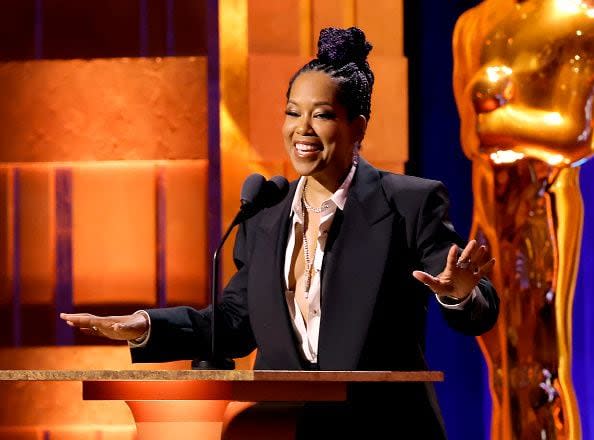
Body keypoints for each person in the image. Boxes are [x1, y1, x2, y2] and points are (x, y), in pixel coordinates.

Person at [61, 27, 499, 439]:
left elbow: (476, 308)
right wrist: (142, 326)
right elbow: (233, 324)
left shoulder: (408, 202)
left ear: (358, 127)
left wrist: (460, 294)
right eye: (293, 112)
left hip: (383, 427)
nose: (302, 129)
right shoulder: (265, 213)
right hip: (281, 429)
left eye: (322, 115)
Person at [453, 1, 594, 438]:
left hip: (542, 202)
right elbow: (471, 137)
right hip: (492, 209)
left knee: (541, 369)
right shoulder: (472, 24)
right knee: (500, 363)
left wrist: (499, 120)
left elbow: (576, 132)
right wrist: (493, 127)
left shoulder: (577, 19)